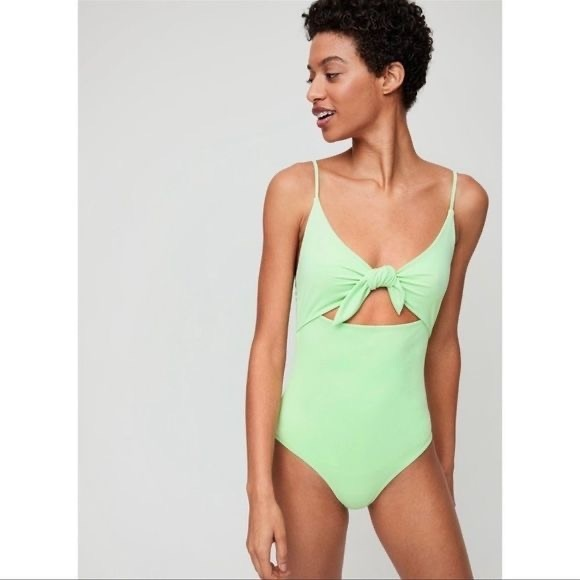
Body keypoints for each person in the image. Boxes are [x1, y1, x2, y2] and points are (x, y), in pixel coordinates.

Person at [245, 0, 489, 578]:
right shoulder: (295, 190)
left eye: (331, 73)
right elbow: (268, 347)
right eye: (311, 76)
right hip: (306, 450)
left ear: (389, 76)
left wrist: (445, 471)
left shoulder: (463, 202)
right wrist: (259, 495)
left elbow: (443, 345)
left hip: (405, 449)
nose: (313, 92)